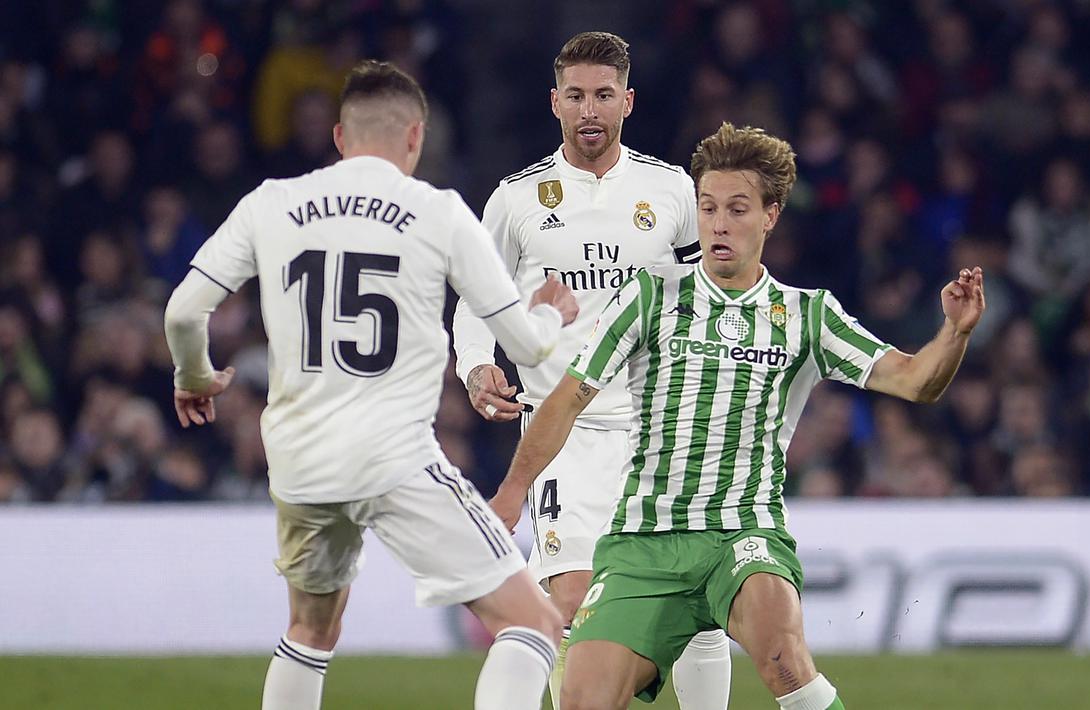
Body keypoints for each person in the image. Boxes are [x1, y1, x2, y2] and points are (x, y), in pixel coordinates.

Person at [495, 123, 986, 710]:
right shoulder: (651, 295)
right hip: (644, 542)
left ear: (770, 216)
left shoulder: (806, 315)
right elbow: (568, 398)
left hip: (744, 534)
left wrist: (954, 334)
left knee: (784, 659)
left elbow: (914, 380)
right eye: (707, 208)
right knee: (583, 701)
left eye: (736, 209)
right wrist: (512, 492)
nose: (719, 224)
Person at [163, 60, 580, 710]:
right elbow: (526, 344)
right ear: (415, 137)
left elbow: (183, 313)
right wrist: (552, 313)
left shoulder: (271, 202)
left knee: (310, 631)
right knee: (533, 623)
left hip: (300, 462)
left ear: (338, 136)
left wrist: (194, 374)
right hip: (394, 458)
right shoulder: (438, 212)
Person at [451, 31, 731, 710]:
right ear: (555, 102)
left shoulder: (671, 190)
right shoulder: (516, 199)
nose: (589, 110)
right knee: (571, 598)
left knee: (696, 603)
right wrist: (476, 366)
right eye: (575, 95)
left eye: (603, 95)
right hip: (562, 434)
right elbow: (474, 300)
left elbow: (707, 295)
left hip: (658, 430)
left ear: (627, 101)